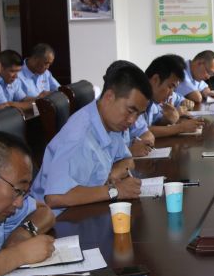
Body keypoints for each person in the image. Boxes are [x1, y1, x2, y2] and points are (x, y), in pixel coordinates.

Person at [31, 62, 152, 213]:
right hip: (59, 218)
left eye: (138, 114)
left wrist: (113, 173)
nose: (132, 120)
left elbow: (127, 160)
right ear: (109, 97)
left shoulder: (112, 125)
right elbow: (55, 197)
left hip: (87, 208)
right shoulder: (78, 136)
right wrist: (115, 190)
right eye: (130, 110)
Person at [0, 133, 55, 276]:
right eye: (17, 190)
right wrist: (20, 254)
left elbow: (45, 212)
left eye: (23, 193)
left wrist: (22, 234)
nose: (19, 203)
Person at [144, 54, 204, 138]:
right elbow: (142, 132)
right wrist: (181, 128)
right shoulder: (137, 98)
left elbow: (153, 122)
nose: (171, 94)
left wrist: (166, 120)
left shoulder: (152, 101)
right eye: (170, 86)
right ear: (155, 80)